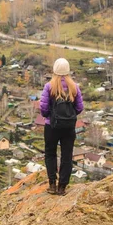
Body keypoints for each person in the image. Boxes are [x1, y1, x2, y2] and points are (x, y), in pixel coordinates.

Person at [39, 58, 83, 196]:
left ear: (54, 70)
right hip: (69, 128)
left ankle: (52, 184)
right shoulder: (74, 87)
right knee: (67, 156)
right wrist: (69, 116)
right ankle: (62, 187)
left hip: (51, 126)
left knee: (50, 153)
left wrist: (49, 116)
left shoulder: (49, 86)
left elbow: (43, 107)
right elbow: (79, 107)